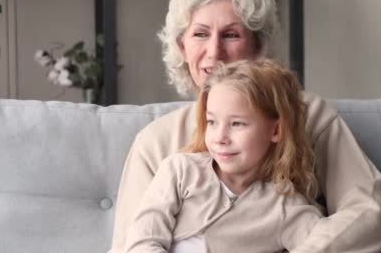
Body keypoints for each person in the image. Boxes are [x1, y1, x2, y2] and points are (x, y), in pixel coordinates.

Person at [111, 0, 381, 252]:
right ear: (182, 48)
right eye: (200, 34)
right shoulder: (155, 143)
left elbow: (366, 212)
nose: (214, 51)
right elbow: (129, 244)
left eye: (231, 35)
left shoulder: (312, 116)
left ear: (259, 47)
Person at [124, 59, 324, 252]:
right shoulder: (180, 171)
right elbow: (141, 242)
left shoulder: (285, 206)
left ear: (275, 130)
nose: (220, 138)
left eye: (237, 124)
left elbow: (328, 244)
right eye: (212, 122)